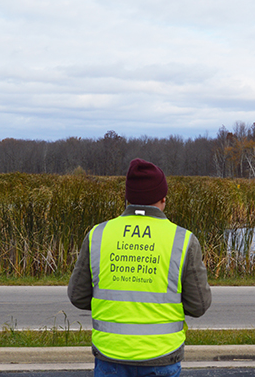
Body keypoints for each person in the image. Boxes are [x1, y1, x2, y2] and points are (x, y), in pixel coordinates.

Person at [68, 158, 212, 377]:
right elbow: (198, 306)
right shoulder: (183, 240)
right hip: (161, 354)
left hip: (110, 354)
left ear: (127, 197)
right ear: (163, 198)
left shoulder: (97, 235)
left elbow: (78, 296)